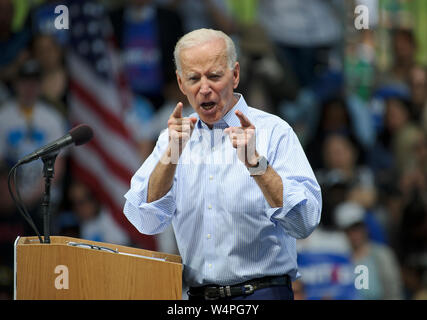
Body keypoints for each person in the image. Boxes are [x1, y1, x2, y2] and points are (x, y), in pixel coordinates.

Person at [123, 28, 322, 300]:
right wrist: (170, 157)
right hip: (197, 296)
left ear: (235, 75)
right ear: (181, 83)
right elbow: (144, 220)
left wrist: (256, 164)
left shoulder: (274, 132)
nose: (204, 88)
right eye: (194, 78)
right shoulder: (171, 140)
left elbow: (304, 222)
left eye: (214, 76)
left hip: (263, 293)